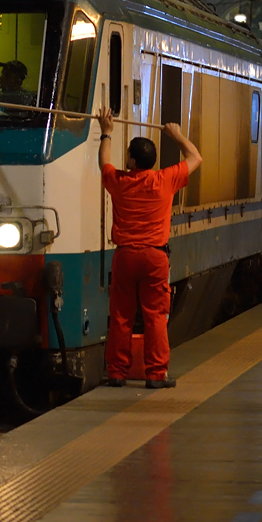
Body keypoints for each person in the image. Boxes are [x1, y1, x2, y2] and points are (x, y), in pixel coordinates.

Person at [97, 106, 202, 389]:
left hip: (126, 256)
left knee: (121, 316)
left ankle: (117, 372)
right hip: (155, 257)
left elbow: (103, 163)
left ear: (131, 160)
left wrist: (106, 133)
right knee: (156, 316)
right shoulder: (164, 180)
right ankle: (156, 375)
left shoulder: (119, 182)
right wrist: (177, 135)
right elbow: (195, 157)